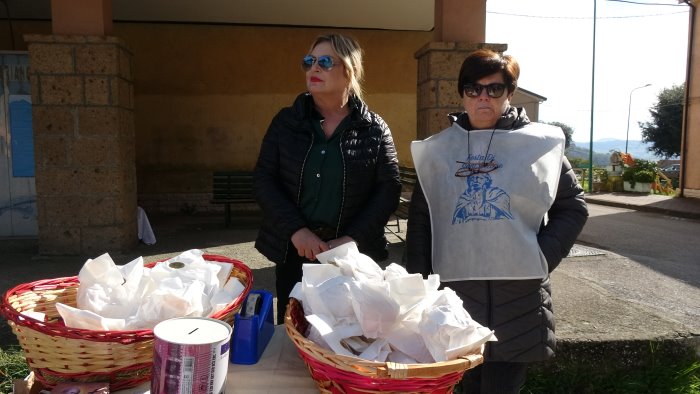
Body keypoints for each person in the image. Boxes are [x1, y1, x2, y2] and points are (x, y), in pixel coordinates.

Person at [405, 49, 588, 393]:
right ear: (462, 93)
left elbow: (573, 207)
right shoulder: (438, 151)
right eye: (474, 89)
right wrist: (419, 285)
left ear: (510, 92)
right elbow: (421, 220)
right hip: (455, 298)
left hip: (519, 300)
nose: (483, 97)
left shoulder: (540, 146)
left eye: (495, 88)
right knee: (463, 386)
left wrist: (540, 257)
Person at [253, 33, 401, 324]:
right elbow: (263, 178)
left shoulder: (374, 128)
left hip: (350, 256)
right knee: (295, 328)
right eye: (309, 62)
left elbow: (389, 188)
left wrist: (351, 240)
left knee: (348, 332)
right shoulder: (286, 122)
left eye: (324, 62)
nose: (313, 69)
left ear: (350, 71)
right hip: (295, 251)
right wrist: (297, 231)